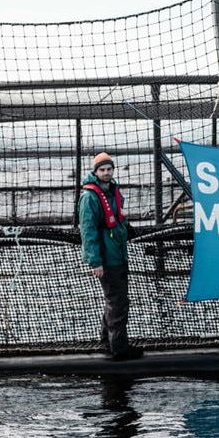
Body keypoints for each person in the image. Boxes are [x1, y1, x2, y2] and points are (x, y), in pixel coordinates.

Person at [78, 152, 143, 360]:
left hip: (119, 254)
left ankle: (107, 342)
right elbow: (88, 231)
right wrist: (95, 261)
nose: (106, 173)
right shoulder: (89, 197)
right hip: (107, 259)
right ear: (95, 172)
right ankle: (119, 348)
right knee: (118, 302)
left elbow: (119, 220)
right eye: (102, 170)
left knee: (113, 300)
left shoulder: (113, 192)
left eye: (109, 169)